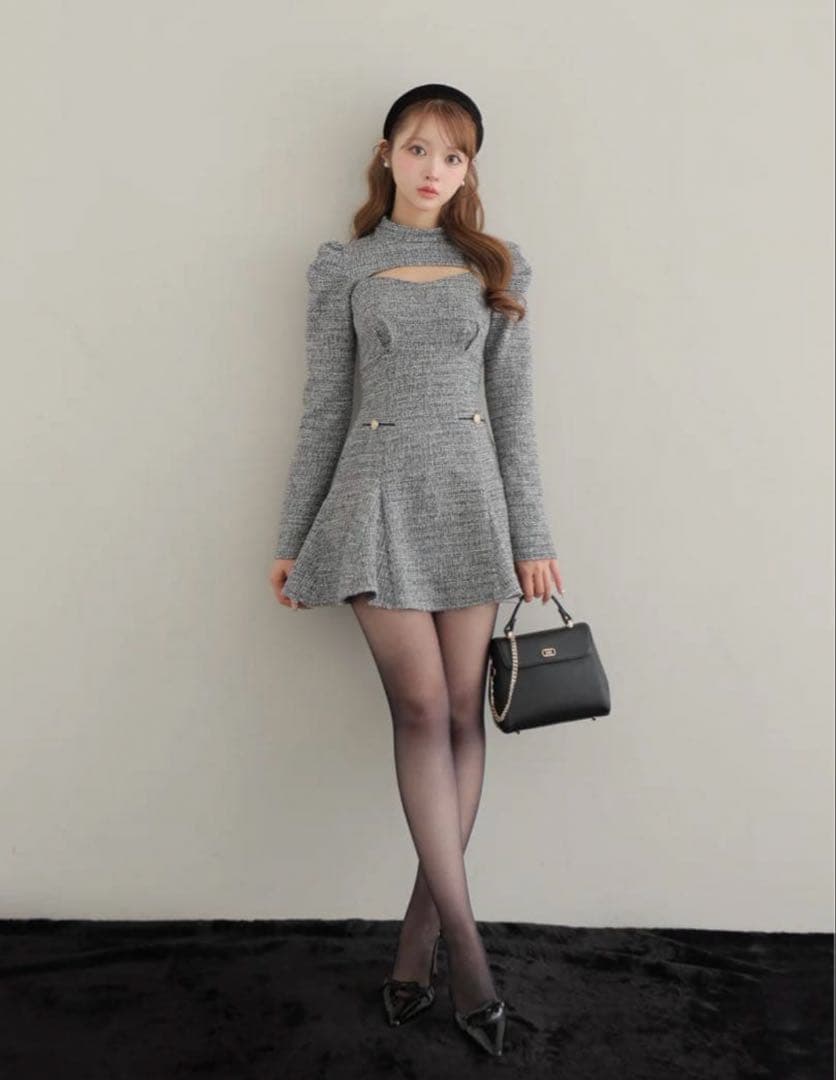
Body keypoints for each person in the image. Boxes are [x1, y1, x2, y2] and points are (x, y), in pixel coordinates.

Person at [268, 83, 564, 1057]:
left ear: (469, 167)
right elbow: (323, 405)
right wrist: (293, 535)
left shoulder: (495, 264)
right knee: (420, 709)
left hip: (470, 504)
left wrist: (532, 534)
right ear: (386, 153)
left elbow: (514, 410)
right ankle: (468, 954)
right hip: (373, 504)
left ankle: (416, 940)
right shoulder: (343, 266)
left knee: (462, 714)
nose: (436, 168)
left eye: (455, 153)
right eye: (419, 148)